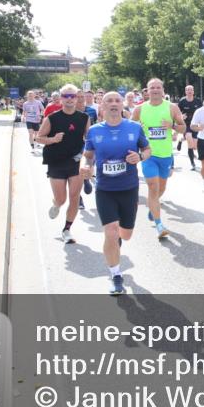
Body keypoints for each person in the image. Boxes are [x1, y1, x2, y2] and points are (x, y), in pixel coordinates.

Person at [81, 92, 151, 295]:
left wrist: (139, 156)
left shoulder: (134, 127)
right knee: (110, 232)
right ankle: (116, 275)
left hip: (129, 188)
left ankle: (117, 241)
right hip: (105, 189)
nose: (113, 104)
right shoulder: (94, 131)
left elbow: (148, 150)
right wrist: (85, 166)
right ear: (101, 106)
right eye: (109, 101)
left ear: (122, 105)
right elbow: (87, 156)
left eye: (117, 101)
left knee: (125, 235)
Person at [35, 84, 90, 244]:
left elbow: (89, 139)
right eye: (66, 96)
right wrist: (53, 139)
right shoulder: (52, 118)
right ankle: (56, 204)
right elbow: (38, 138)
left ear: (77, 98)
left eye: (72, 96)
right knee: (61, 199)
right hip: (56, 162)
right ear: (61, 98)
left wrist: (90, 158)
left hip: (76, 162)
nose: (70, 99)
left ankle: (67, 229)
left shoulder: (84, 118)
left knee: (74, 198)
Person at [132, 78, 186, 239]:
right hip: (149, 155)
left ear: (162, 90)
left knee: (161, 189)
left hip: (165, 156)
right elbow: (129, 130)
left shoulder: (171, 107)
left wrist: (172, 126)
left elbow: (183, 127)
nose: (155, 90)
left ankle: (152, 206)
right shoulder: (139, 109)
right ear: (147, 91)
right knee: (153, 188)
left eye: (158, 87)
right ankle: (159, 224)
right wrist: (137, 130)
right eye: (152, 88)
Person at [178, 85, 203, 171]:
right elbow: (177, 114)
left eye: (191, 90)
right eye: (188, 90)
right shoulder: (182, 101)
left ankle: (181, 140)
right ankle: (192, 163)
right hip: (186, 124)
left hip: (195, 125)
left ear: (193, 92)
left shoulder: (198, 101)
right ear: (185, 92)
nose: (189, 91)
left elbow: (202, 112)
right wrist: (181, 116)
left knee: (195, 146)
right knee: (189, 140)